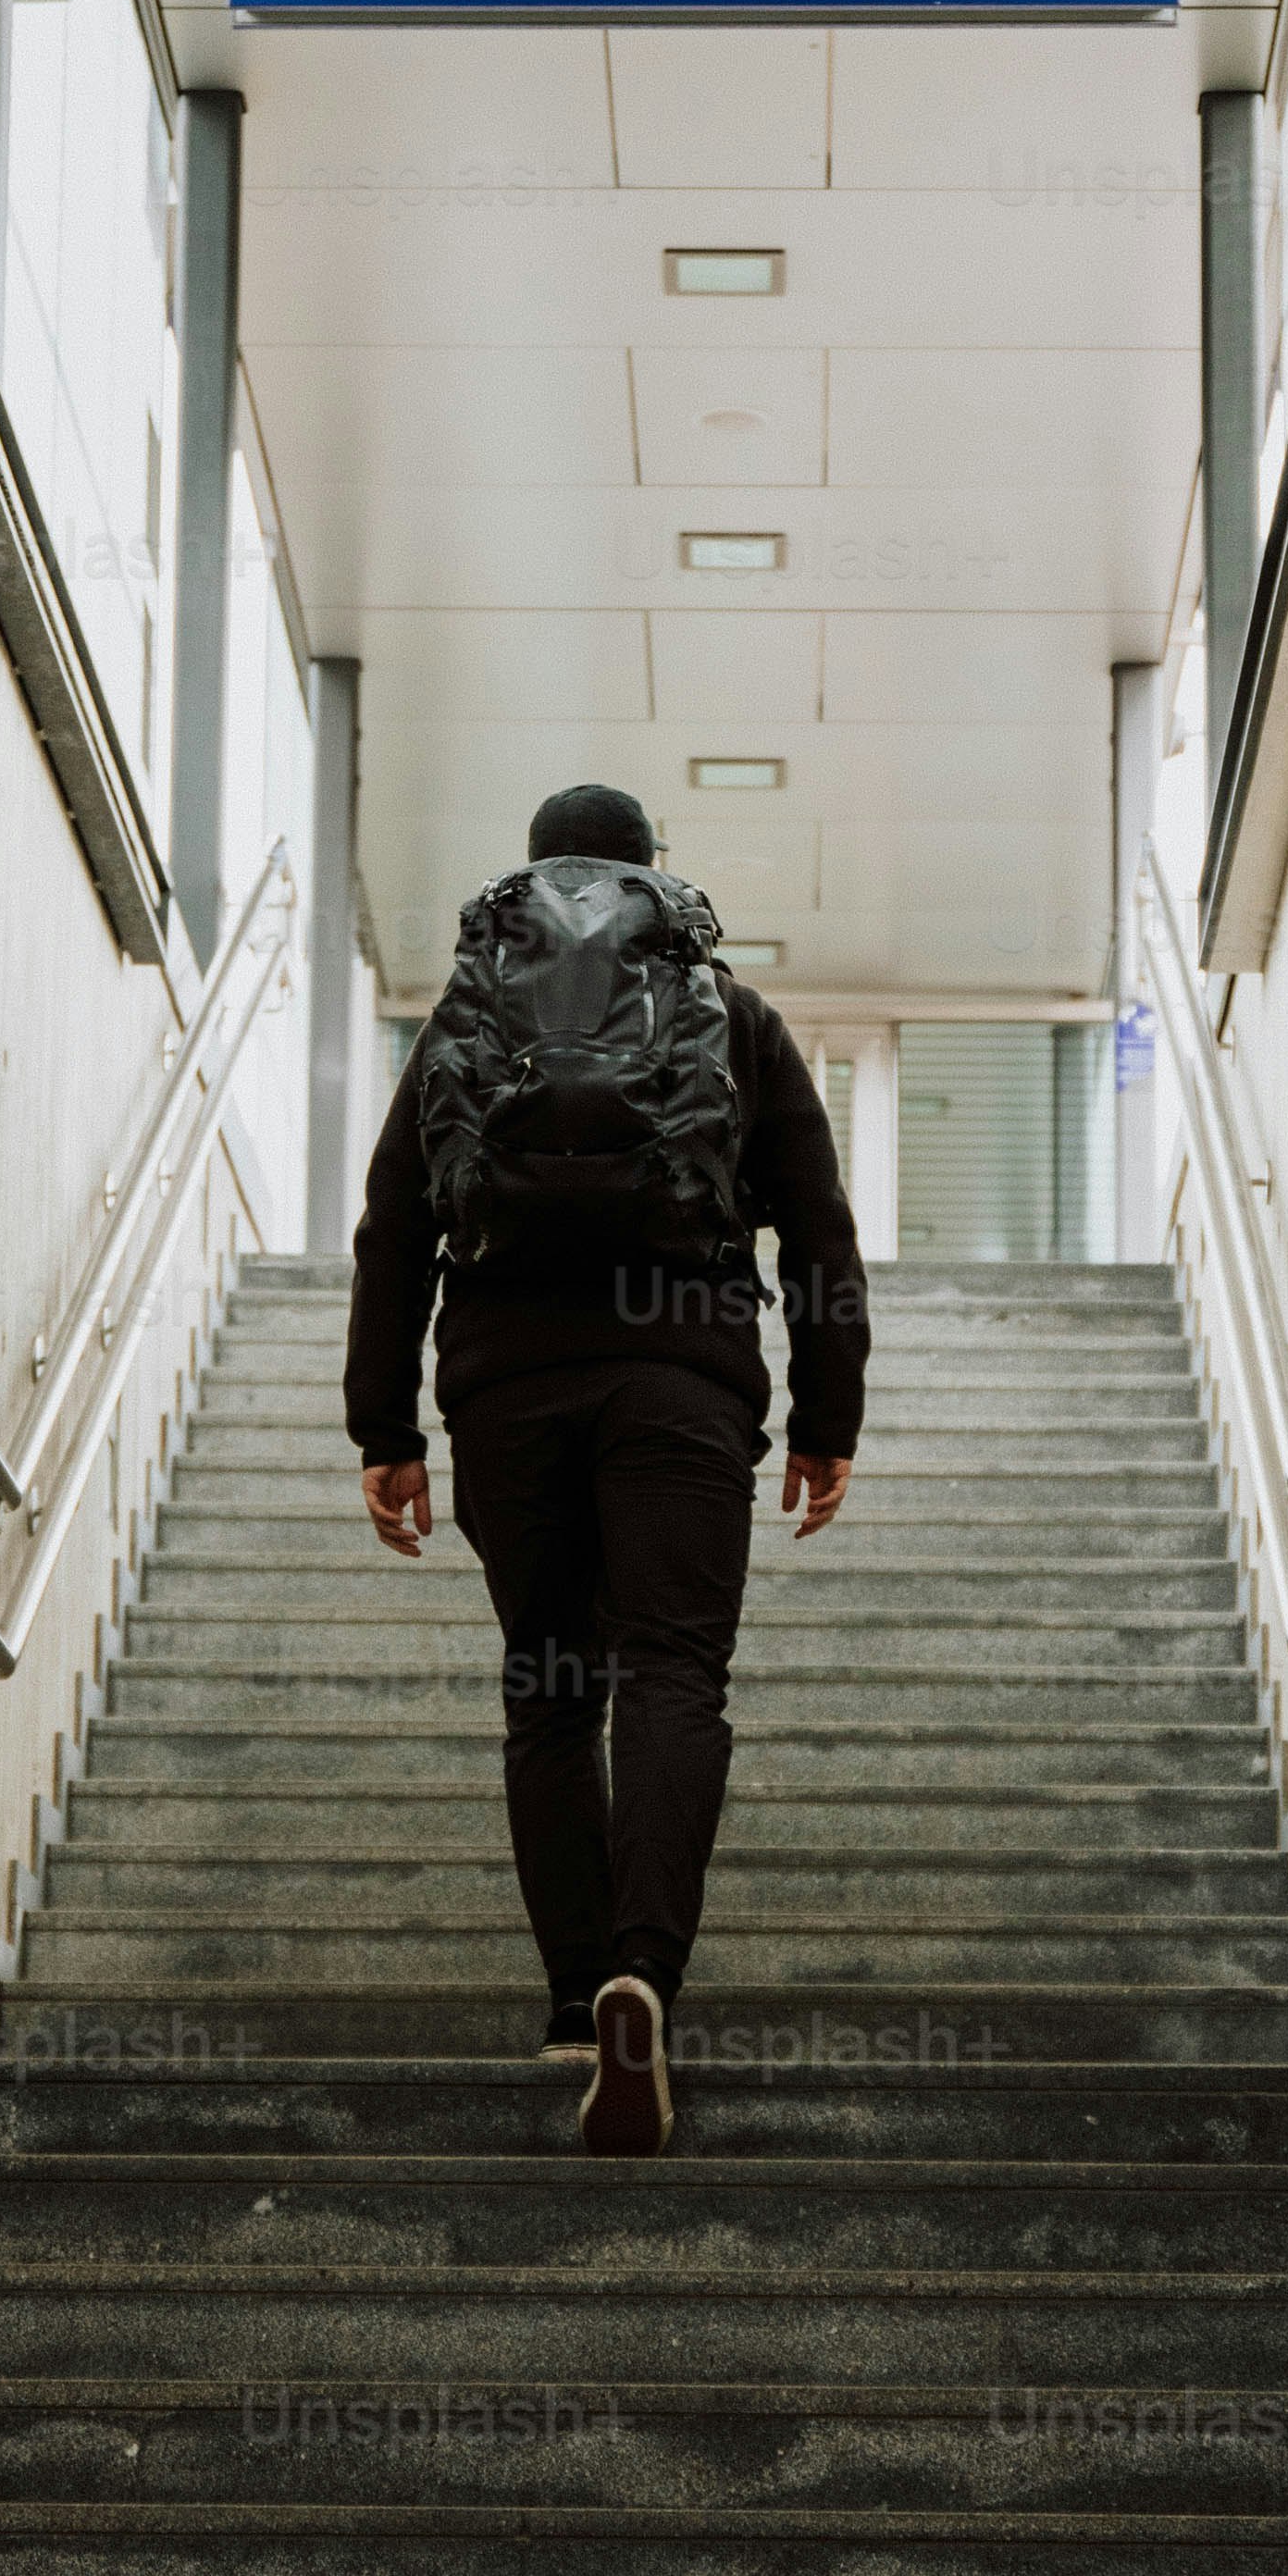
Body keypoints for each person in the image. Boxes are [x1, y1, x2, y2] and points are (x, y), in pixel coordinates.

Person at [344, 782, 868, 2156]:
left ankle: (578, 2000)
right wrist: (828, 1416)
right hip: (680, 1384)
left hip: (507, 1393)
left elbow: (393, 1228)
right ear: (653, 881)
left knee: (550, 1692)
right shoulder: (730, 1017)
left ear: (531, 880)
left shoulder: (466, 1021)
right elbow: (818, 1233)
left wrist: (384, 1431)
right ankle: (646, 1971)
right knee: (675, 1674)